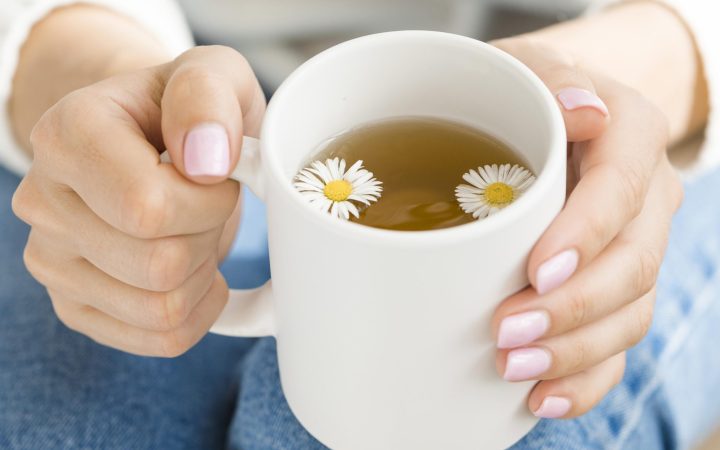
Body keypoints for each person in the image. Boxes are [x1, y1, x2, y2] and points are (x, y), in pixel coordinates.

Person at [0, 0, 717, 448]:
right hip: (201, 96)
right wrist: (111, 98)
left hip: (615, 107)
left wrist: (606, 84)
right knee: (66, 433)